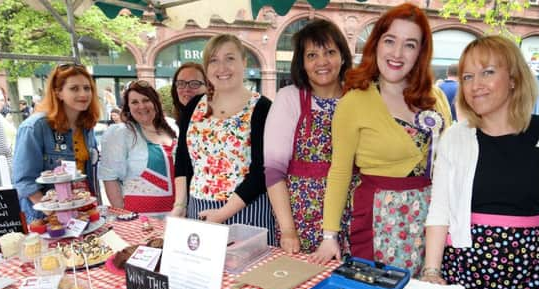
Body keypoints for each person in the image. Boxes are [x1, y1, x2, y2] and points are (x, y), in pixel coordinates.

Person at [422, 35, 539, 289]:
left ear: (513, 78)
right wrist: (431, 272)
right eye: (468, 76)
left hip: (532, 273)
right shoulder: (455, 138)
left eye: (488, 72)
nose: (475, 84)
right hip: (465, 269)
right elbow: (440, 211)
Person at [312, 3, 452, 273]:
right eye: (390, 41)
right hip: (381, 221)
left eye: (410, 45)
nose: (397, 53)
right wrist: (329, 236)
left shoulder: (437, 100)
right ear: (376, 44)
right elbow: (340, 171)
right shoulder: (354, 102)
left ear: (420, 53)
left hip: (432, 221)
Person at [172, 34, 276, 244]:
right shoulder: (193, 106)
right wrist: (179, 206)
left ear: (244, 62)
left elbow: (262, 171)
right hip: (198, 210)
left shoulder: (262, 107)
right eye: (214, 60)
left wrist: (222, 214)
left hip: (248, 212)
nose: (222, 68)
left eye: (230, 58)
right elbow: (183, 161)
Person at [264, 19, 353, 255]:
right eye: (312, 55)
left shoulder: (358, 99)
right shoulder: (289, 98)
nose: (322, 61)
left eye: (330, 52)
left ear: (343, 57)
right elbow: (273, 172)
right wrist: (288, 230)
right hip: (303, 219)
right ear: (302, 64)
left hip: (353, 213)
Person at [12, 63, 100, 223]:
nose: (83, 94)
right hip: (48, 219)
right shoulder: (35, 127)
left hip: (82, 210)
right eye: (74, 88)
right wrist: (53, 214)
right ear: (58, 93)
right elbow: (24, 181)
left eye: (87, 88)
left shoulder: (87, 126)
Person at [99, 80, 178, 216]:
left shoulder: (172, 126)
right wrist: (125, 216)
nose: (141, 106)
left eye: (146, 100)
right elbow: (110, 177)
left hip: (178, 215)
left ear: (155, 103)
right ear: (128, 107)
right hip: (140, 220)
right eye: (134, 102)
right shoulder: (122, 133)